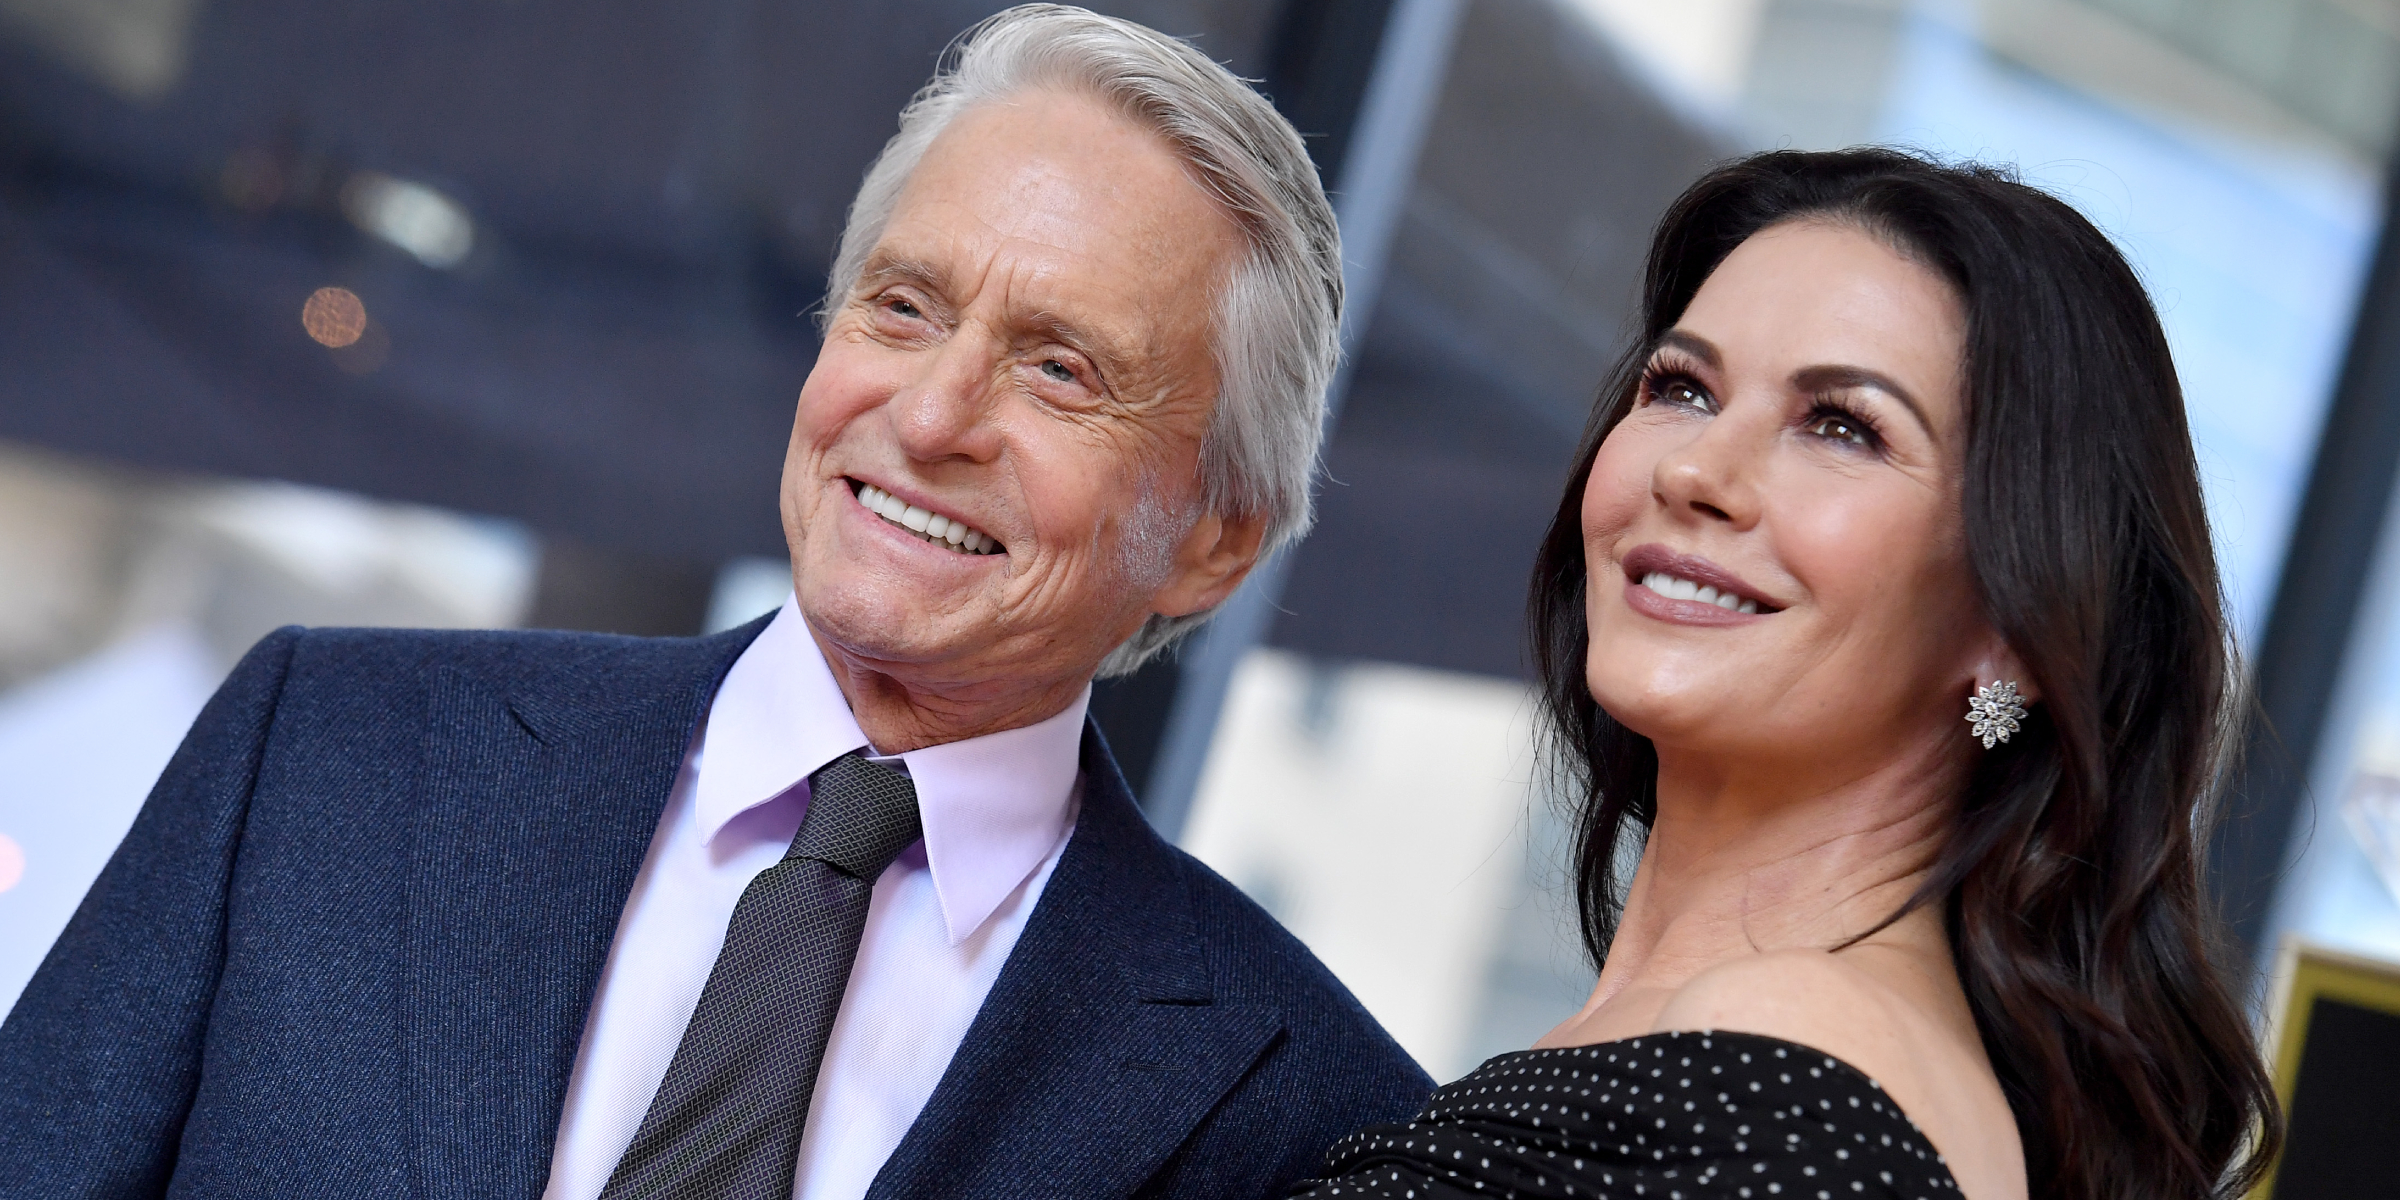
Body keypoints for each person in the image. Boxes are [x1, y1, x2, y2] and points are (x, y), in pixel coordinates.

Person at [0, 7, 1432, 1197]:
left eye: (1061, 369)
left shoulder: (1308, 1120)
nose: (931, 415)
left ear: (1216, 541)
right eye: (902, 308)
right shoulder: (326, 747)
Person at [1294, 149, 2282, 1200]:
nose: (1695, 472)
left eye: (1842, 427)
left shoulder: (1795, 1068)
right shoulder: (1742, 1049)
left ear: (2019, 624)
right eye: (1681, 388)